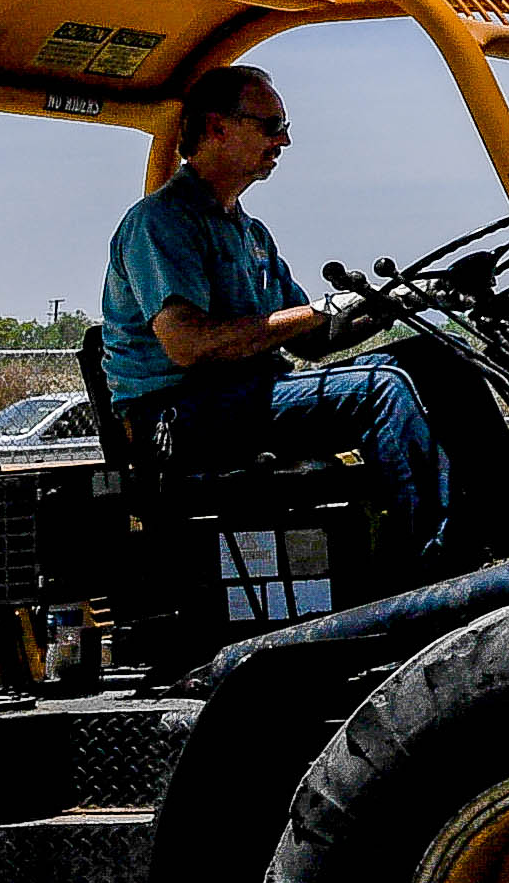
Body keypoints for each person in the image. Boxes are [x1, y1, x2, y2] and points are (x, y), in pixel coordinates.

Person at [100, 65, 478, 569]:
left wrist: (397, 303)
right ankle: (438, 561)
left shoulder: (252, 235)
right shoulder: (161, 222)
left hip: (246, 399)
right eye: (270, 126)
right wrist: (318, 310)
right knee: (379, 389)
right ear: (217, 127)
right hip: (179, 418)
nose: (283, 140)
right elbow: (188, 345)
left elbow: (310, 340)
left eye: (284, 127)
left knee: (439, 358)